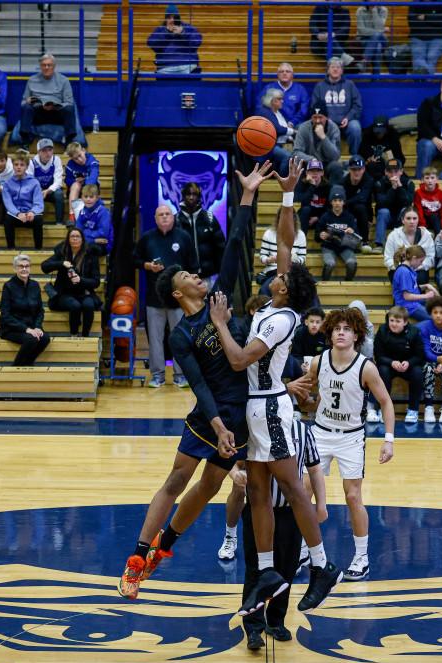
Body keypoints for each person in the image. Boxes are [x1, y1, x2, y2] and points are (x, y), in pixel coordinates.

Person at [120, 163, 296, 598]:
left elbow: (235, 244)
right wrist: (216, 426)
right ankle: (137, 558)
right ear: (178, 293)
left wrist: (248, 194)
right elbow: (198, 384)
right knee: (178, 479)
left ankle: (165, 547)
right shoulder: (181, 335)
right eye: (187, 277)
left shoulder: (223, 300)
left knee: (214, 485)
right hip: (211, 414)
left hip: (243, 410)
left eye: (196, 273)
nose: (197, 276)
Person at [208, 161, 346, 616]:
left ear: (287, 292)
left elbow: (239, 359)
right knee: (257, 494)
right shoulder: (275, 301)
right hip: (256, 409)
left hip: (270, 409)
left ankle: (323, 565)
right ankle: (267, 571)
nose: (276, 272)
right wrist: (287, 195)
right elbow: (286, 241)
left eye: (282, 277)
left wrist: (222, 324)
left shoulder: (283, 317)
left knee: (294, 487)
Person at [305, 307, 394, 581]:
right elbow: (305, 396)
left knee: (353, 496)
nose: (341, 333)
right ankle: (301, 548)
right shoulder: (317, 362)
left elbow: (386, 402)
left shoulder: (366, 366)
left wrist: (388, 440)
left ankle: (361, 556)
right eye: (336, 329)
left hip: (351, 436)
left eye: (347, 329)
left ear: (357, 335)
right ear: (330, 333)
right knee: (302, 492)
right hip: (319, 433)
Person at [236, 414, 324, 650]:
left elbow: (315, 470)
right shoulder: (253, 427)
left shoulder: (303, 431)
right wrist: (233, 474)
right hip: (257, 511)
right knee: (256, 568)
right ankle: (253, 628)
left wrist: (322, 505)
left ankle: (276, 622)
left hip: (290, 513)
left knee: (286, 568)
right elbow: (232, 463)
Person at [133, 204, 197, 387]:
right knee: (155, 339)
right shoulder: (147, 238)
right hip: (154, 299)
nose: (165, 217)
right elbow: (134, 259)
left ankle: (181, 375)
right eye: (160, 214)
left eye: (168, 214)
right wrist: (148, 266)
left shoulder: (184, 238)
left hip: (179, 300)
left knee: (180, 339)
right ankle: (157, 375)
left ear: (173, 217)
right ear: (155, 218)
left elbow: (193, 267)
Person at [11, 55, 86, 148]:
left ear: (54, 66)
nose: (46, 67)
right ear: (40, 66)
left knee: (69, 109)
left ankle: (69, 143)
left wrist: (54, 106)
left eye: (49, 65)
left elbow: (69, 102)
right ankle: (25, 144)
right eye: (44, 65)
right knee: (26, 107)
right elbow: (22, 103)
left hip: (57, 113)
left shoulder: (63, 80)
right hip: (38, 112)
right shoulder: (32, 80)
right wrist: (28, 101)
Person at [41, 227, 101, 337]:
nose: (74, 239)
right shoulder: (62, 253)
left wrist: (81, 280)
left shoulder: (91, 256)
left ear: (82, 239)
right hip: (65, 293)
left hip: (84, 292)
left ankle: (85, 336)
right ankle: (74, 334)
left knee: (88, 306)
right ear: (68, 239)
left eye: (77, 236)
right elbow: (44, 266)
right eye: (72, 236)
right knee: (75, 306)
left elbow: (96, 282)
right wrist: (61, 263)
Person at [371, 305, 424, 423]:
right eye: (391, 320)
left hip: (408, 366)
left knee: (418, 372)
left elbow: (420, 356)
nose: (394, 324)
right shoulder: (382, 330)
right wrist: (391, 362)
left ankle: (413, 410)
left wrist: (409, 363)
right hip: (389, 365)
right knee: (382, 370)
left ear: (405, 322)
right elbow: (379, 356)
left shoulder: (414, 332)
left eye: (398, 321)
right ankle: (383, 409)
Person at [0, 254, 49, 366]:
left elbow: (40, 310)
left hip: (30, 327)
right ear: (15, 268)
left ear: (30, 268)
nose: (24, 269)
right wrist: (26, 329)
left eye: (27, 266)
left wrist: (37, 327)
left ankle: (27, 363)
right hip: (11, 328)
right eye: (21, 266)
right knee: (31, 340)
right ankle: (16, 367)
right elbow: (5, 314)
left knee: (44, 338)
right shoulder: (8, 286)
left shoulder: (35, 285)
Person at [312, 58, 363, 158]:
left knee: (355, 127)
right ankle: (332, 158)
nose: (335, 69)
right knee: (325, 128)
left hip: (347, 121)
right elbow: (315, 107)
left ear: (342, 70)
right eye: (332, 67)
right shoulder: (320, 86)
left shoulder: (350, 85)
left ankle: (354, 157)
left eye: (338, 67)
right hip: (328, 121)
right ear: (328, 70)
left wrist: (348, 118)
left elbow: (357, 106)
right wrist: (325, 119)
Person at [175, 181, 225, 281]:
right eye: (188, 194)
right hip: (184, 275)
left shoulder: (209, 218)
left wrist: (222, 272)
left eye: (194, 194)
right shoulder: (176, 220)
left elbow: (220, 248)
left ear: (199, 197)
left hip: (206, 274)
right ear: (183, 196)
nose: (191, 197)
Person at [417, 295, 442, 422]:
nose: (438, 315)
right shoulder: (426, 328)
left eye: (441, 312)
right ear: (430, 313)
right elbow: (426, 351)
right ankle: (428, 407)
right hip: (431, 360)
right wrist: (436, 360)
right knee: (428, 369)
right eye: (435, 312)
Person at [293, 104, 344, 186]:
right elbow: (296, 152)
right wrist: (311, 159)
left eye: (320, 117)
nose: (317, 121)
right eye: (314, 117)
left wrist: (324, 137)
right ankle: (299, 197)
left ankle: (334, 196)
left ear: (326, 118)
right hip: (309, 164)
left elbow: (335, 156)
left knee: (336, 166)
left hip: (326, 164)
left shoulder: (334, 129)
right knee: (295, 164)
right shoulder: (303, 128)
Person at [315, 185, 359, 279]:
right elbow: (316, 236)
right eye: (335, 200)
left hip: (345, 247)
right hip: (328, 247)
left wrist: (352, 231)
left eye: (340, 200)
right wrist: (320, 235)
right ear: (331, 202)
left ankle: (348, 284)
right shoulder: (325, 217)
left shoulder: (349, 217)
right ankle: (325, 283)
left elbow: (357, 237)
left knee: (352, 263)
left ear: (344, 202)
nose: (337, 203)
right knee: (330, 264)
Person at [2, 152, 44, 250]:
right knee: (7, 219)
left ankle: (38, 249)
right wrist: (18, 213)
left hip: (30, 213)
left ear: (26, 166)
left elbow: (38, 202)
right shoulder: (8, 183)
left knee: (38, 220)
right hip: (16, 214)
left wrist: (32, 212)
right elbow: (8, 202)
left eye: (22, 165)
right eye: (16, 165)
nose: (19, 167)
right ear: (13, 166)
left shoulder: (34, 182)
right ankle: (11, 248)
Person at [374, 158, 416, 253]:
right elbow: (382, 203)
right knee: (383, 211)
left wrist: (400, 187)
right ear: (385, 172)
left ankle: (403, 244)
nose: (393, 175)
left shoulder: (408, 183)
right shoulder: (379, 184)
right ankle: (379, 245)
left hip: (401, 219)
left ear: (401, 171)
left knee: (406, 211)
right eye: (390, 172)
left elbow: (408, 202)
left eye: (396, 171)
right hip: (386, 219)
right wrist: (393, 188)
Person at [147, 5, 202, 74]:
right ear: (166, 19)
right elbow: (151, 44)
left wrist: (183, 33)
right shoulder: (160, 29)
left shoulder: (187, 27)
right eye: (169, 17)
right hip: (166, 67)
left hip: (188, 65)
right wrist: (166, 33)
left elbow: (197, 42)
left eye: (175, 17)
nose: (172, 20)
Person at [383, 208, 433, 279]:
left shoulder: (426, 235)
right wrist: (403, 267)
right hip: (398, 269)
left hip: (419, 270)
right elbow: (388, 259)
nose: (412, 221)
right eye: (408, 218)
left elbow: (430, 258)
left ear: (418, 219)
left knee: (421, 278)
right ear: (403, 220)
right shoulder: (393, 235)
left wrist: (417, 267)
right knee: (403, 279)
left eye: (414, 218)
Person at [392, 244, 438, 322]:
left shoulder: (409, 269)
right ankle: (414, 332)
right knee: (435, 319)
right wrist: (425, 295)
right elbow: (407, 296)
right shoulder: (404, 272)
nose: (422, 264)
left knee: (437, 307)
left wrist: (426, 285)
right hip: (407, 306)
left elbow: (412, 288)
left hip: (413, 303)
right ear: (414, 258)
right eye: (421, 261)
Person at [357, 113, 406, 183]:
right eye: (376, 131)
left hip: (388, 170)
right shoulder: (367, 137)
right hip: (370, 169)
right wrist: (367, 162)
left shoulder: (393, 138)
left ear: (386, 130)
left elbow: (401, 159)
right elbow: (360, 156)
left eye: (380, 131)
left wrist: (391, 162)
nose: (378, 133)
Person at [258, 90, 297, 175]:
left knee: (298, 154)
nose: (282, 101)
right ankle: (281, 180)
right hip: (270, 147)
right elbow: (277, 129)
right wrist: (293, 132)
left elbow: (284, 127)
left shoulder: (277, 112)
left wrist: (290, 138)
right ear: (271, 100)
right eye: (279, 99)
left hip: (282, 143)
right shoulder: (265, 112)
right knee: (287, 156)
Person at [259, 63, 310, 127]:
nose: (284, 73)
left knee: (302, 128)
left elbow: (303, 110)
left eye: (288, 71)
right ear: (278, 74)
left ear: (292, 75)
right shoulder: (269, 88)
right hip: (273, 123)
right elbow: (260, 107)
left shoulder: (300, 90)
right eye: (281, 71)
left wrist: (292, 122)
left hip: (295, 124)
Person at [309, 0, 358, 66]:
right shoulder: (319, 8)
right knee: (326, 38)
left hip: (337, 42)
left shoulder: (344, 11)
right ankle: (343, 56)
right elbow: (313, 24)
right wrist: (318, 35)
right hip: (319, 43)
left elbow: (345, 29)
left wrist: (334, 34)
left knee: (330, 47)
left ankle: (331, 74)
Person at [407, 1, 442, 74]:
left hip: (438, 39)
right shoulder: (415, 3)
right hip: (418, 38)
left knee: (431, 56)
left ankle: (421, 81)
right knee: (418, 54)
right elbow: (412, 22)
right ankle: (425, 82)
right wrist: (434, 22)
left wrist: (426, 17)